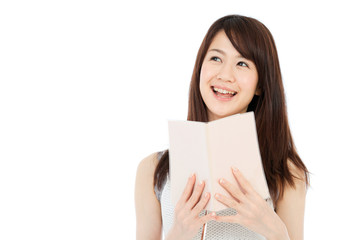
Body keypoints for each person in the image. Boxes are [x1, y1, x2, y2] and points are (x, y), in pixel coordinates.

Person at [135, 14, 310, 240]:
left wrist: (274, 230)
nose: (225, 75)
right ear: (200, 68)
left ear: (260, 85)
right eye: (216, 59)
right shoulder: (152, 170)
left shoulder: (286, 173)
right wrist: (178, 234)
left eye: (242, 63)